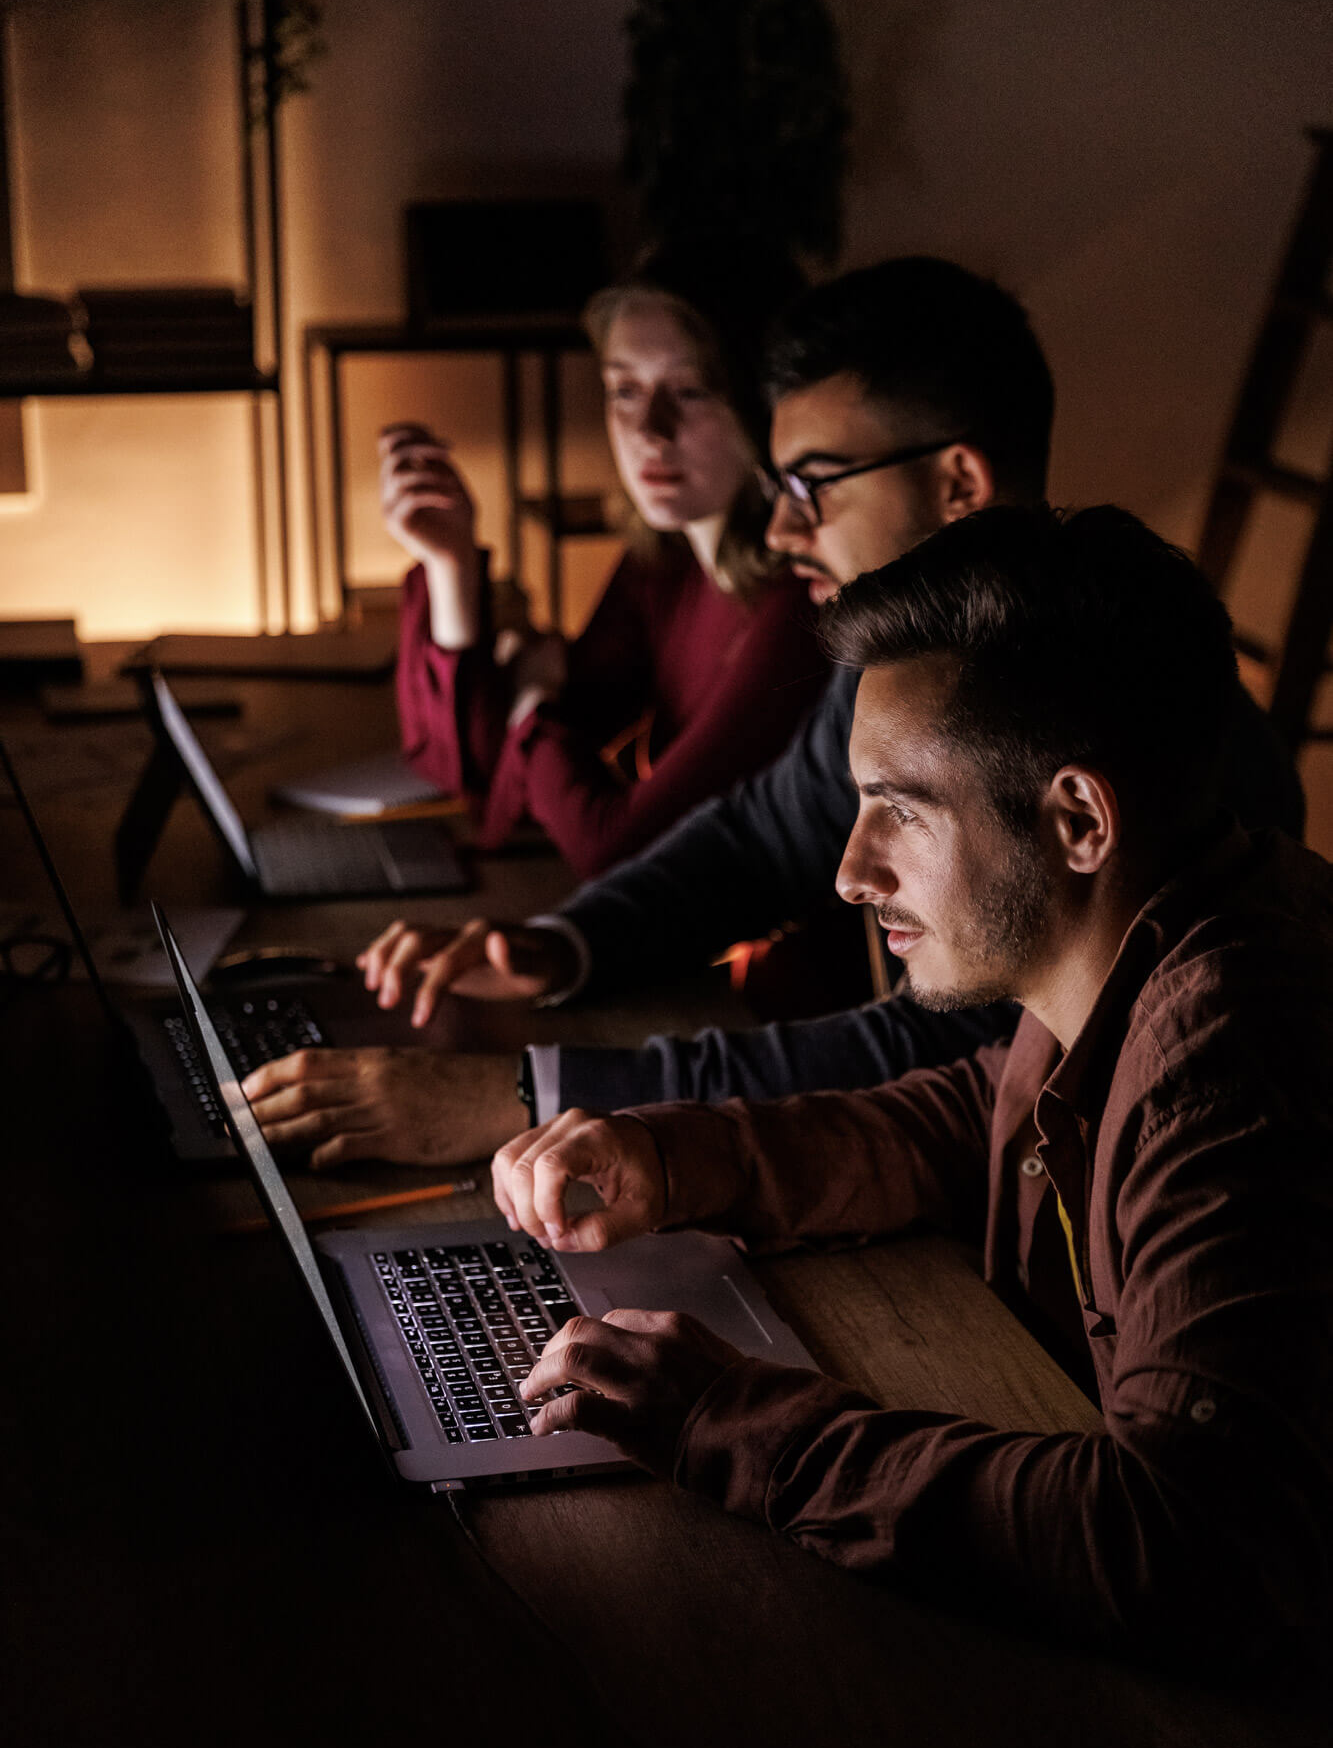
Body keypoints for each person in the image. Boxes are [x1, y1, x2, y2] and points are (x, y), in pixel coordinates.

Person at [489, 503, 1333, 1669]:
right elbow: (970, 1119)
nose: (848, 869)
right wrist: (681, 1160)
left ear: (1078, 818)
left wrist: (721, 1417)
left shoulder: (1233, 1061)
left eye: (899, 807)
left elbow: (1176, 1538)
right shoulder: (1152, 936)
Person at [242, 262, 1303, 1171]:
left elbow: (932, 1061)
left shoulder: (1128, 728)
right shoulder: (907, 658)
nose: (784, 525)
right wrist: (560, 944)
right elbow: (759, 834)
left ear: (959, 483)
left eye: (814, 482)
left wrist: (520, 1095)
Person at [384, 243, 824, 879]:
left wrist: (534, 697)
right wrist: (451, 566)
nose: (648, 428)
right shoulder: (666, 560)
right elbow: (487, 774)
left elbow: (614, 848)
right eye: (624, 389)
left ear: (763, 400)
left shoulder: (793, 605)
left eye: (691, 390)